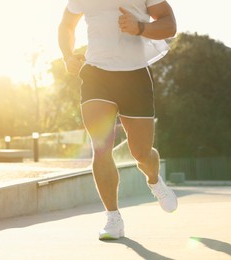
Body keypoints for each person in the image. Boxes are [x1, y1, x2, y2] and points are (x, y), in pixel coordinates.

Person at [58, 0, 178, 240]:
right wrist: (67, 56)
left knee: (141, 154)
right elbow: (66, 25)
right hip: (96, 75)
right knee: (101, 148)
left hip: (135, 77)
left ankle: (154, 181)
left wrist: (140, 28)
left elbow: (169, 25)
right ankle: (113, 218)